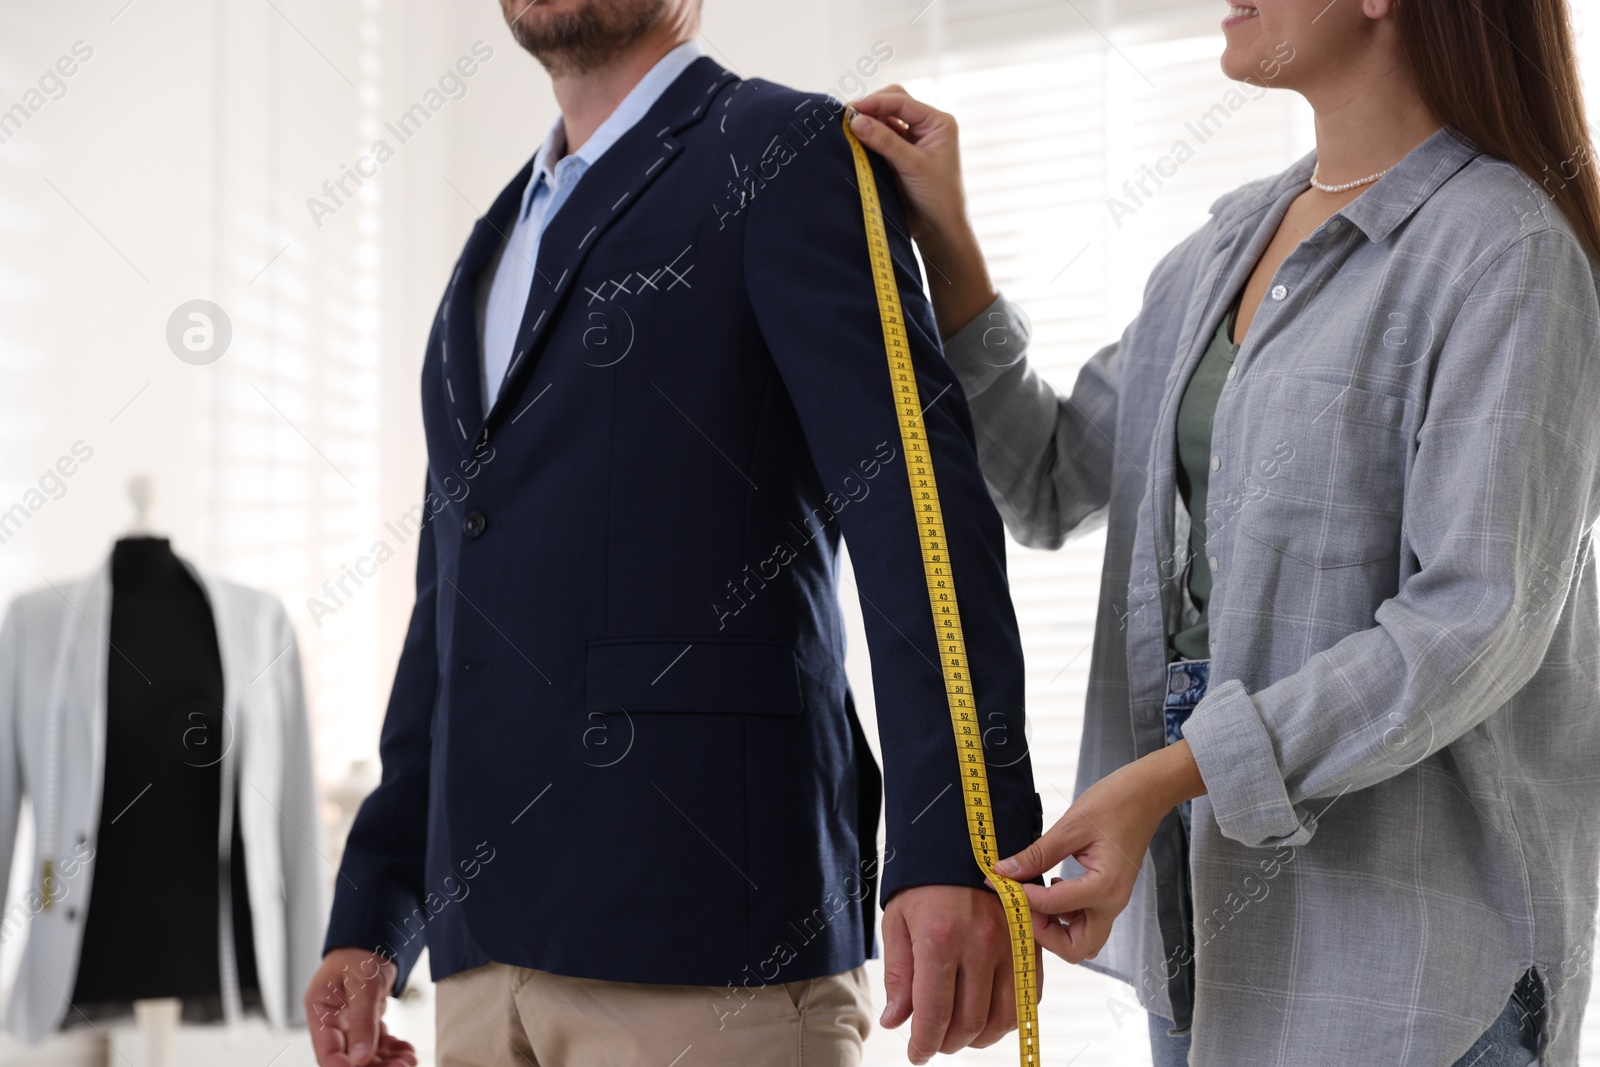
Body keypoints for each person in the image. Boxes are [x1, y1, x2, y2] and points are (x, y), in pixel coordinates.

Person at [849, 0, 1600, 1062]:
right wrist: (951, 247)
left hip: (1414, 965)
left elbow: (1474, 621)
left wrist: (1168, 775)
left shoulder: (1505, 250)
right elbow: (1050, 476)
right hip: (1203, 928)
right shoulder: (1224, 246)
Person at [302, 2, 1044, 1066]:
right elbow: (451, 603)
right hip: (481, 968)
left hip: (709, 941)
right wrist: (376, 910)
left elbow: (913, 501)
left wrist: (963, 840)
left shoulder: (784, 152)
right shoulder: (492, 244)